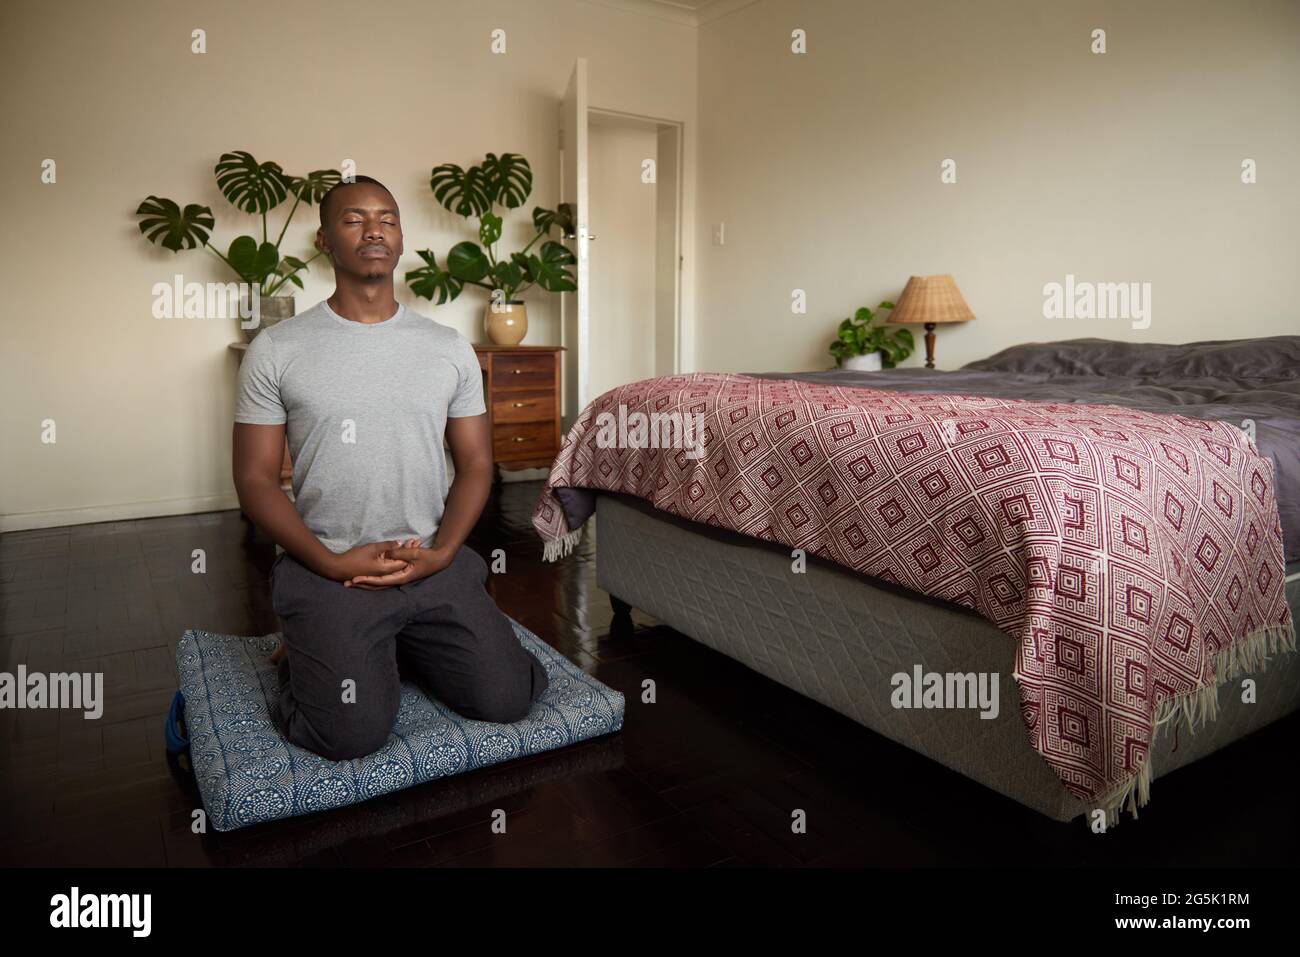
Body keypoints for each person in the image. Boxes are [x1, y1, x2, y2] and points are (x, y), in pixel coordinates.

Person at [232, 175, 548, 761]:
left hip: (427, 558)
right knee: (351, 733)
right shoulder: (278, 349)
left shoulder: (447, 347)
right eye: (354, 219)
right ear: (325, 240)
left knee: (506, 697)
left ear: (400, 239)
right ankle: (302, 651)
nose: (374, 229)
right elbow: (253, 480)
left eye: (387, 218)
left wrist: (446, 551)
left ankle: (392, 641)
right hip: (328, 562)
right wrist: (327, 560)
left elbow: (478, 464)